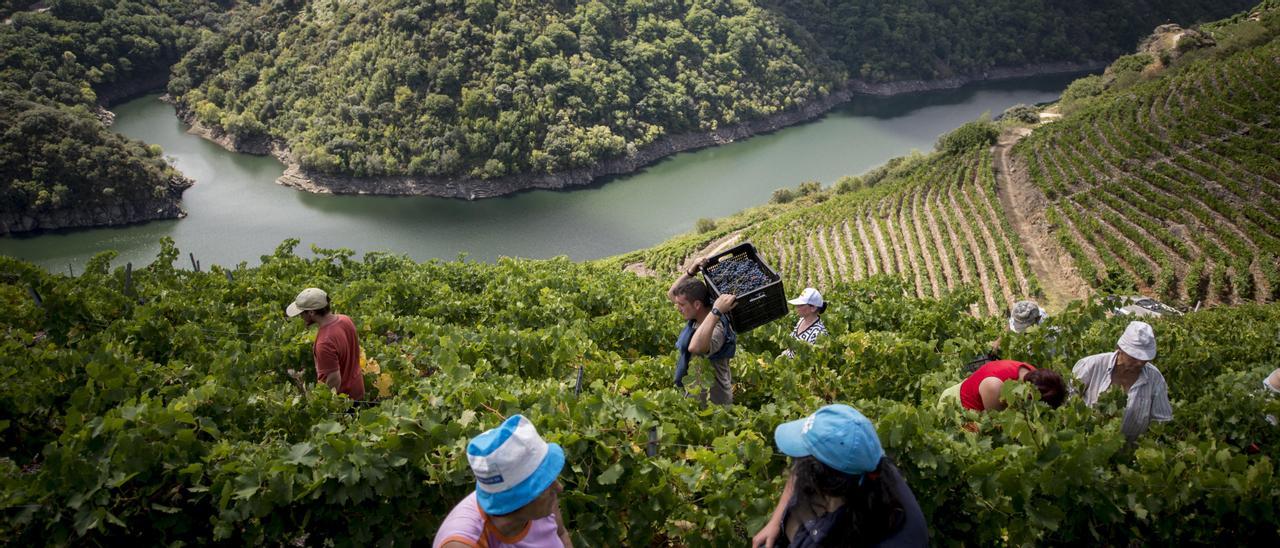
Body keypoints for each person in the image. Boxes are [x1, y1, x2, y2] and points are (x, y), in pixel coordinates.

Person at [751, 404, 928, 548]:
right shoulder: (869, 463)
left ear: (825, 485)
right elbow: (800, 468)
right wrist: (775, 522)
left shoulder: (894, 539)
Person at [434, 414, 573, 548]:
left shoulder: (546, 502)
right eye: (542, 483)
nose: (558, 487)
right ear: (517, 499)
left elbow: (561, 534)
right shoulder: (464, 542)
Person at [1072, 321, 1172, 441]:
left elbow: (1161, 419)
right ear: (1120, 349)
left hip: (1129, 453)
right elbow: (1069, 402)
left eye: (1145, 358)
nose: (1140, 362)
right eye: (1135, 357)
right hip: (1086, 444)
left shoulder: (1155, 378)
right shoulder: (1090, 366)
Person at [668, 260, 737, 405]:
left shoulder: (718, 327)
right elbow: (671, 294)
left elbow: (695, 347)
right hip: (695, 400)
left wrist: (716, 311)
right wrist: (690, 272)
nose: (678, 308)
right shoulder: (696, 318)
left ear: (697, 305)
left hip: (714, 406)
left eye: (682, 305)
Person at [284, 287, 365, 401]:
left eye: (302, 313)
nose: (300, 316)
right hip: (357, 390)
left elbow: (334, 379)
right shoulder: (345, 319)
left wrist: (323, 402)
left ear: (311, 312)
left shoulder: (325, 342)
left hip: (343, 400)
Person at [955, 360, 1066, 411]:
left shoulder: (1032, 373)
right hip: (959, 407)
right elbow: (996, 426)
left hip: (972, 387)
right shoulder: (995, 388)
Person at [782, 288, 828, 358]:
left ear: (813, 308)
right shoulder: (801, 320)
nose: (797, 307)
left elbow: (815, 360)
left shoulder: (820, 333)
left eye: (801, 305)